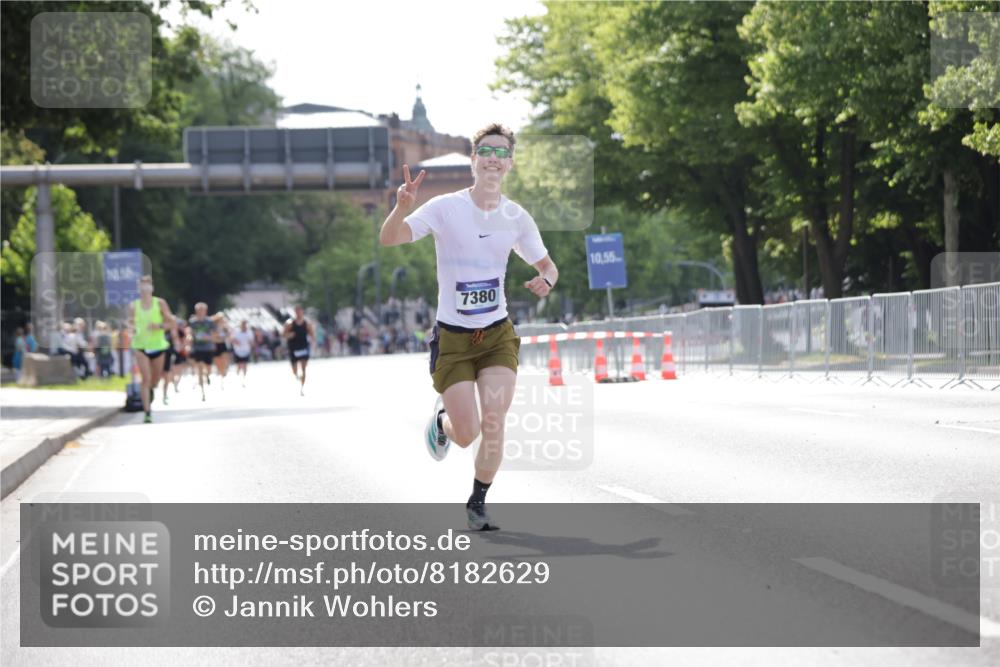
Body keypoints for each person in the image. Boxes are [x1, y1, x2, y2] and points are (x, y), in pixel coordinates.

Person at [379, 122, 558, 531]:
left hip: (496, 335)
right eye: (486, 152)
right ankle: (442, 421)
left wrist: (546, 280)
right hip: (453, 338)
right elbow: (390, 238)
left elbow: (548, 266)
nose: (494, 159)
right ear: (473, 160)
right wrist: (401, 207)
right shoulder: (445, 208)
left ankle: (477, 503)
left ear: (510, 163)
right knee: (466, 433)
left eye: (501, 152)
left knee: (494, 422)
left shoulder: (516, 217)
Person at [127, 275, 176, 423]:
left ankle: (151, 390)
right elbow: (130, 324)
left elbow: (171, 323)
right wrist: (132, 329)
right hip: (140, 346)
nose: (144, 288)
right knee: (145, 379)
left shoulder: (160, 303)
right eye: (142, 285)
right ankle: (147, 412)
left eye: (147, 285)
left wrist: (159, 326)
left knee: (155, 380)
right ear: (138, 288)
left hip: (158, 346)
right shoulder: (133, 306)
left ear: (151, 288)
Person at [282, 305, 314, 396]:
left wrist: (313, 343)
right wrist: (289, 335)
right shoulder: (290, 323)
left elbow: (312, 335)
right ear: (295, 313)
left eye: (300, 311)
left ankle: (302, 388)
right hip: (293, 348)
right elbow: (283, 334)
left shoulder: (307, 323)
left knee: (304, 369)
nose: (299, 313)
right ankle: (297, 376)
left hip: (304, 347)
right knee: (294, 370)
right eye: (297, 311)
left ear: (302, 312)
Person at [188, 303, 215, 402]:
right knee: (199, 368)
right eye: (199, 310)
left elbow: (214, 333)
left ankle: (207, 375)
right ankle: (202, 392)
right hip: (197, 348)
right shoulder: (192, 322)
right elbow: (190, 333)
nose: (200, 312)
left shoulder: (210, 321)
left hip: (208, 348)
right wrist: (189, 340)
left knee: (208, 368)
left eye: (202, 310)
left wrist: (209, 337)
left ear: (205, 311)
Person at [230, 320, 255, 387]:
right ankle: (237, 378)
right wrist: (236, 342)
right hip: (238, 351)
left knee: (245, 366)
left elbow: (252, 341)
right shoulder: (236, 331)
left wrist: (251, 344)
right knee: (239, 366)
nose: (244, 326)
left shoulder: (249, 332)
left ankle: (244, 379)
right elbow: (232, 339)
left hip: (246, 351)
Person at [211, 313, 231, 389]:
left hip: (223, 346)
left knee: (225, 362)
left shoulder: (225, 328)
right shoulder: (213, 327)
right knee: (219, 364)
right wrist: (220, 338)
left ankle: (223, 378)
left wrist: (221, 338)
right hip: (215, 346)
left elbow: (228, 336)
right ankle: (221, 378)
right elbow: (213, 338)